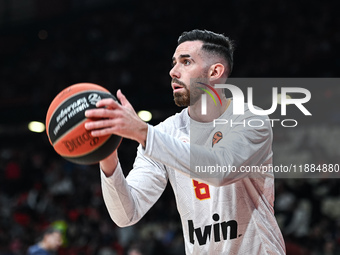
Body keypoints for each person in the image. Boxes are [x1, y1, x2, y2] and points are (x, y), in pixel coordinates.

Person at [85, 29, 286, 254]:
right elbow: (126, 214)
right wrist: (107, 155)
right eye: (173, 63)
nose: (173, 71)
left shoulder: (251, 120)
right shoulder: (165, 133)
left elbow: (220, 169)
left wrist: (143, 132)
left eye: (186, 62)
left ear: (215, 71)